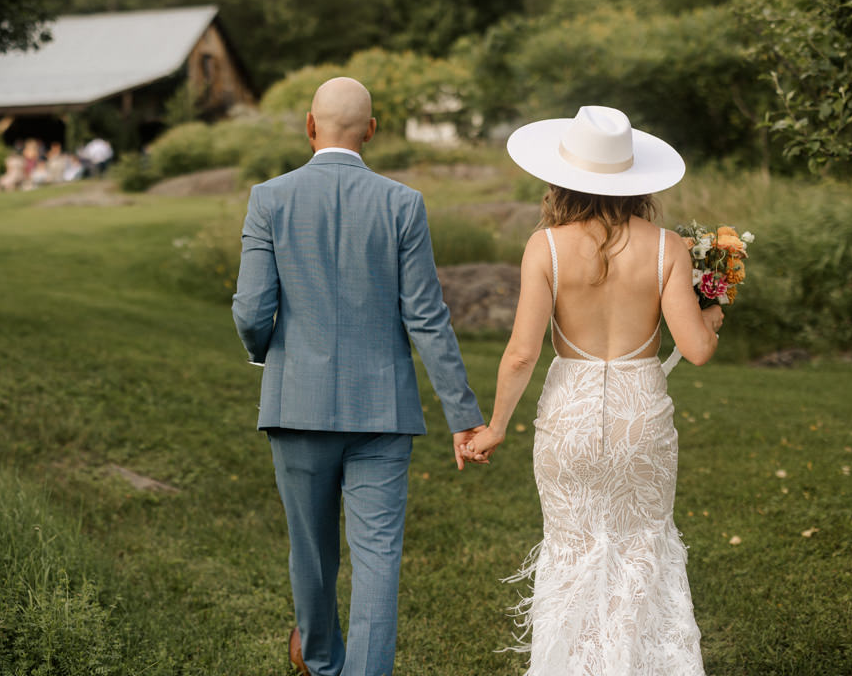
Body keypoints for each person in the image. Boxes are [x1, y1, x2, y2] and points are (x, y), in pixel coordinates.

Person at [232, 77, 488, 676]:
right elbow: (426, 317)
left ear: (309, 123)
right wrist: (463, 413)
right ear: (371, 130)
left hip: (297, 405)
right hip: (383, 411)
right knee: (378, 560)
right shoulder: (403, 203)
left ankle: (320, 660)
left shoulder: (270, 198)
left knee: (313, 552)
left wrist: (266, 352)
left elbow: (250, 307)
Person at [463, 106, 723, 675]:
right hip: (641, 414)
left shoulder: (546, 247)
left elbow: (522, 353)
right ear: (635, 182)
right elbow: (698, 349)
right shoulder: (667, 249)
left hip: (571, 415)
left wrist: (497, 426)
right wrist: (716, 307)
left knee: (574, 551)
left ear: (563, 179)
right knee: (641, 548)